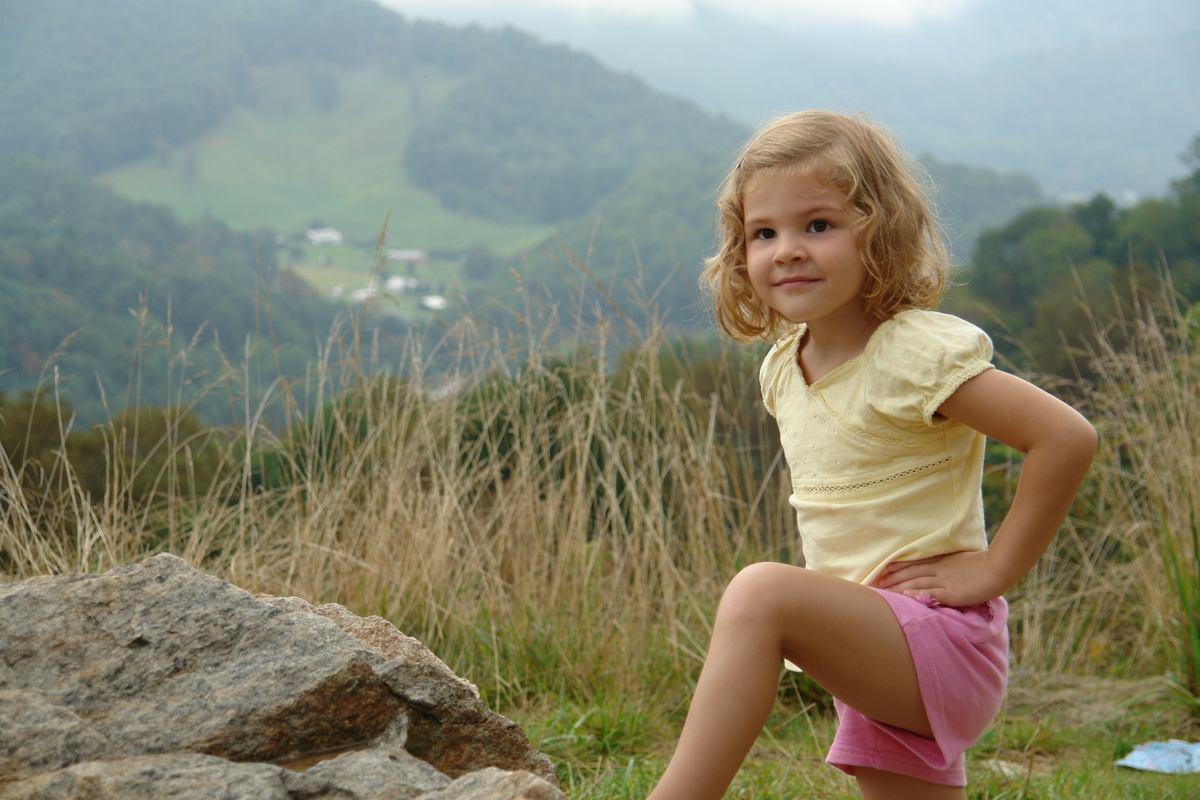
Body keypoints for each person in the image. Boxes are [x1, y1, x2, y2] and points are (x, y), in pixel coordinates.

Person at [646, 111, 1097, 800]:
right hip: (878, 647)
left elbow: (1066, 438)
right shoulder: (781, 369)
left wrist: (996, 567)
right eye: (764, 233)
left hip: (940, 644)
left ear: (880, 232)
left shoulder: (912, 354)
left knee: (760, 593)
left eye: (818, 225)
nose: (788, 249)